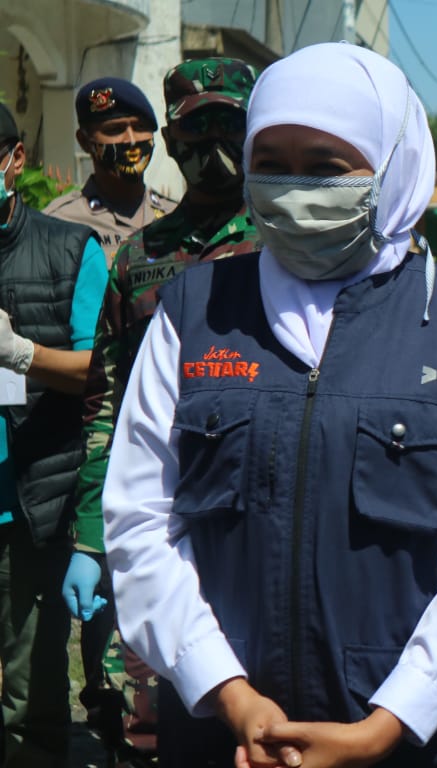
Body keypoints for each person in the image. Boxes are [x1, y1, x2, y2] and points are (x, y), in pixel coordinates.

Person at [102, 43, 437, 767]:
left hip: (430, 742)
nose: (293, 187)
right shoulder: (194, 310)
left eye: (327, 167)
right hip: (232, 735)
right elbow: (140, 522)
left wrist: (388, 722)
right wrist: (227, 692)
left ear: (393, 164)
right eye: (271, 162)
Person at [62, 56, 260, 756]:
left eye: (227, 126)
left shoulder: (286, 243)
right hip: (161, 509)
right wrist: (92, 533)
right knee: (145, 716)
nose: (213, 147)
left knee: (258, 702)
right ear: (172, 141)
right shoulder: (142, 256)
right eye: (195, 130)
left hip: (259, 510)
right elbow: (105, 405)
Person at [0, 101, 105, 766]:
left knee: (27, 689)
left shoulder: (70, 250)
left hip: (28, 503)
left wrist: (19, 354)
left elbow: (101, 374)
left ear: (14, 162)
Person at [43, 77, 177, 265]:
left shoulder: (176, 216)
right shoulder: (58, 224)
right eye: (115, 130)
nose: (130, 140)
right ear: (84, 141)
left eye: (140, 127)